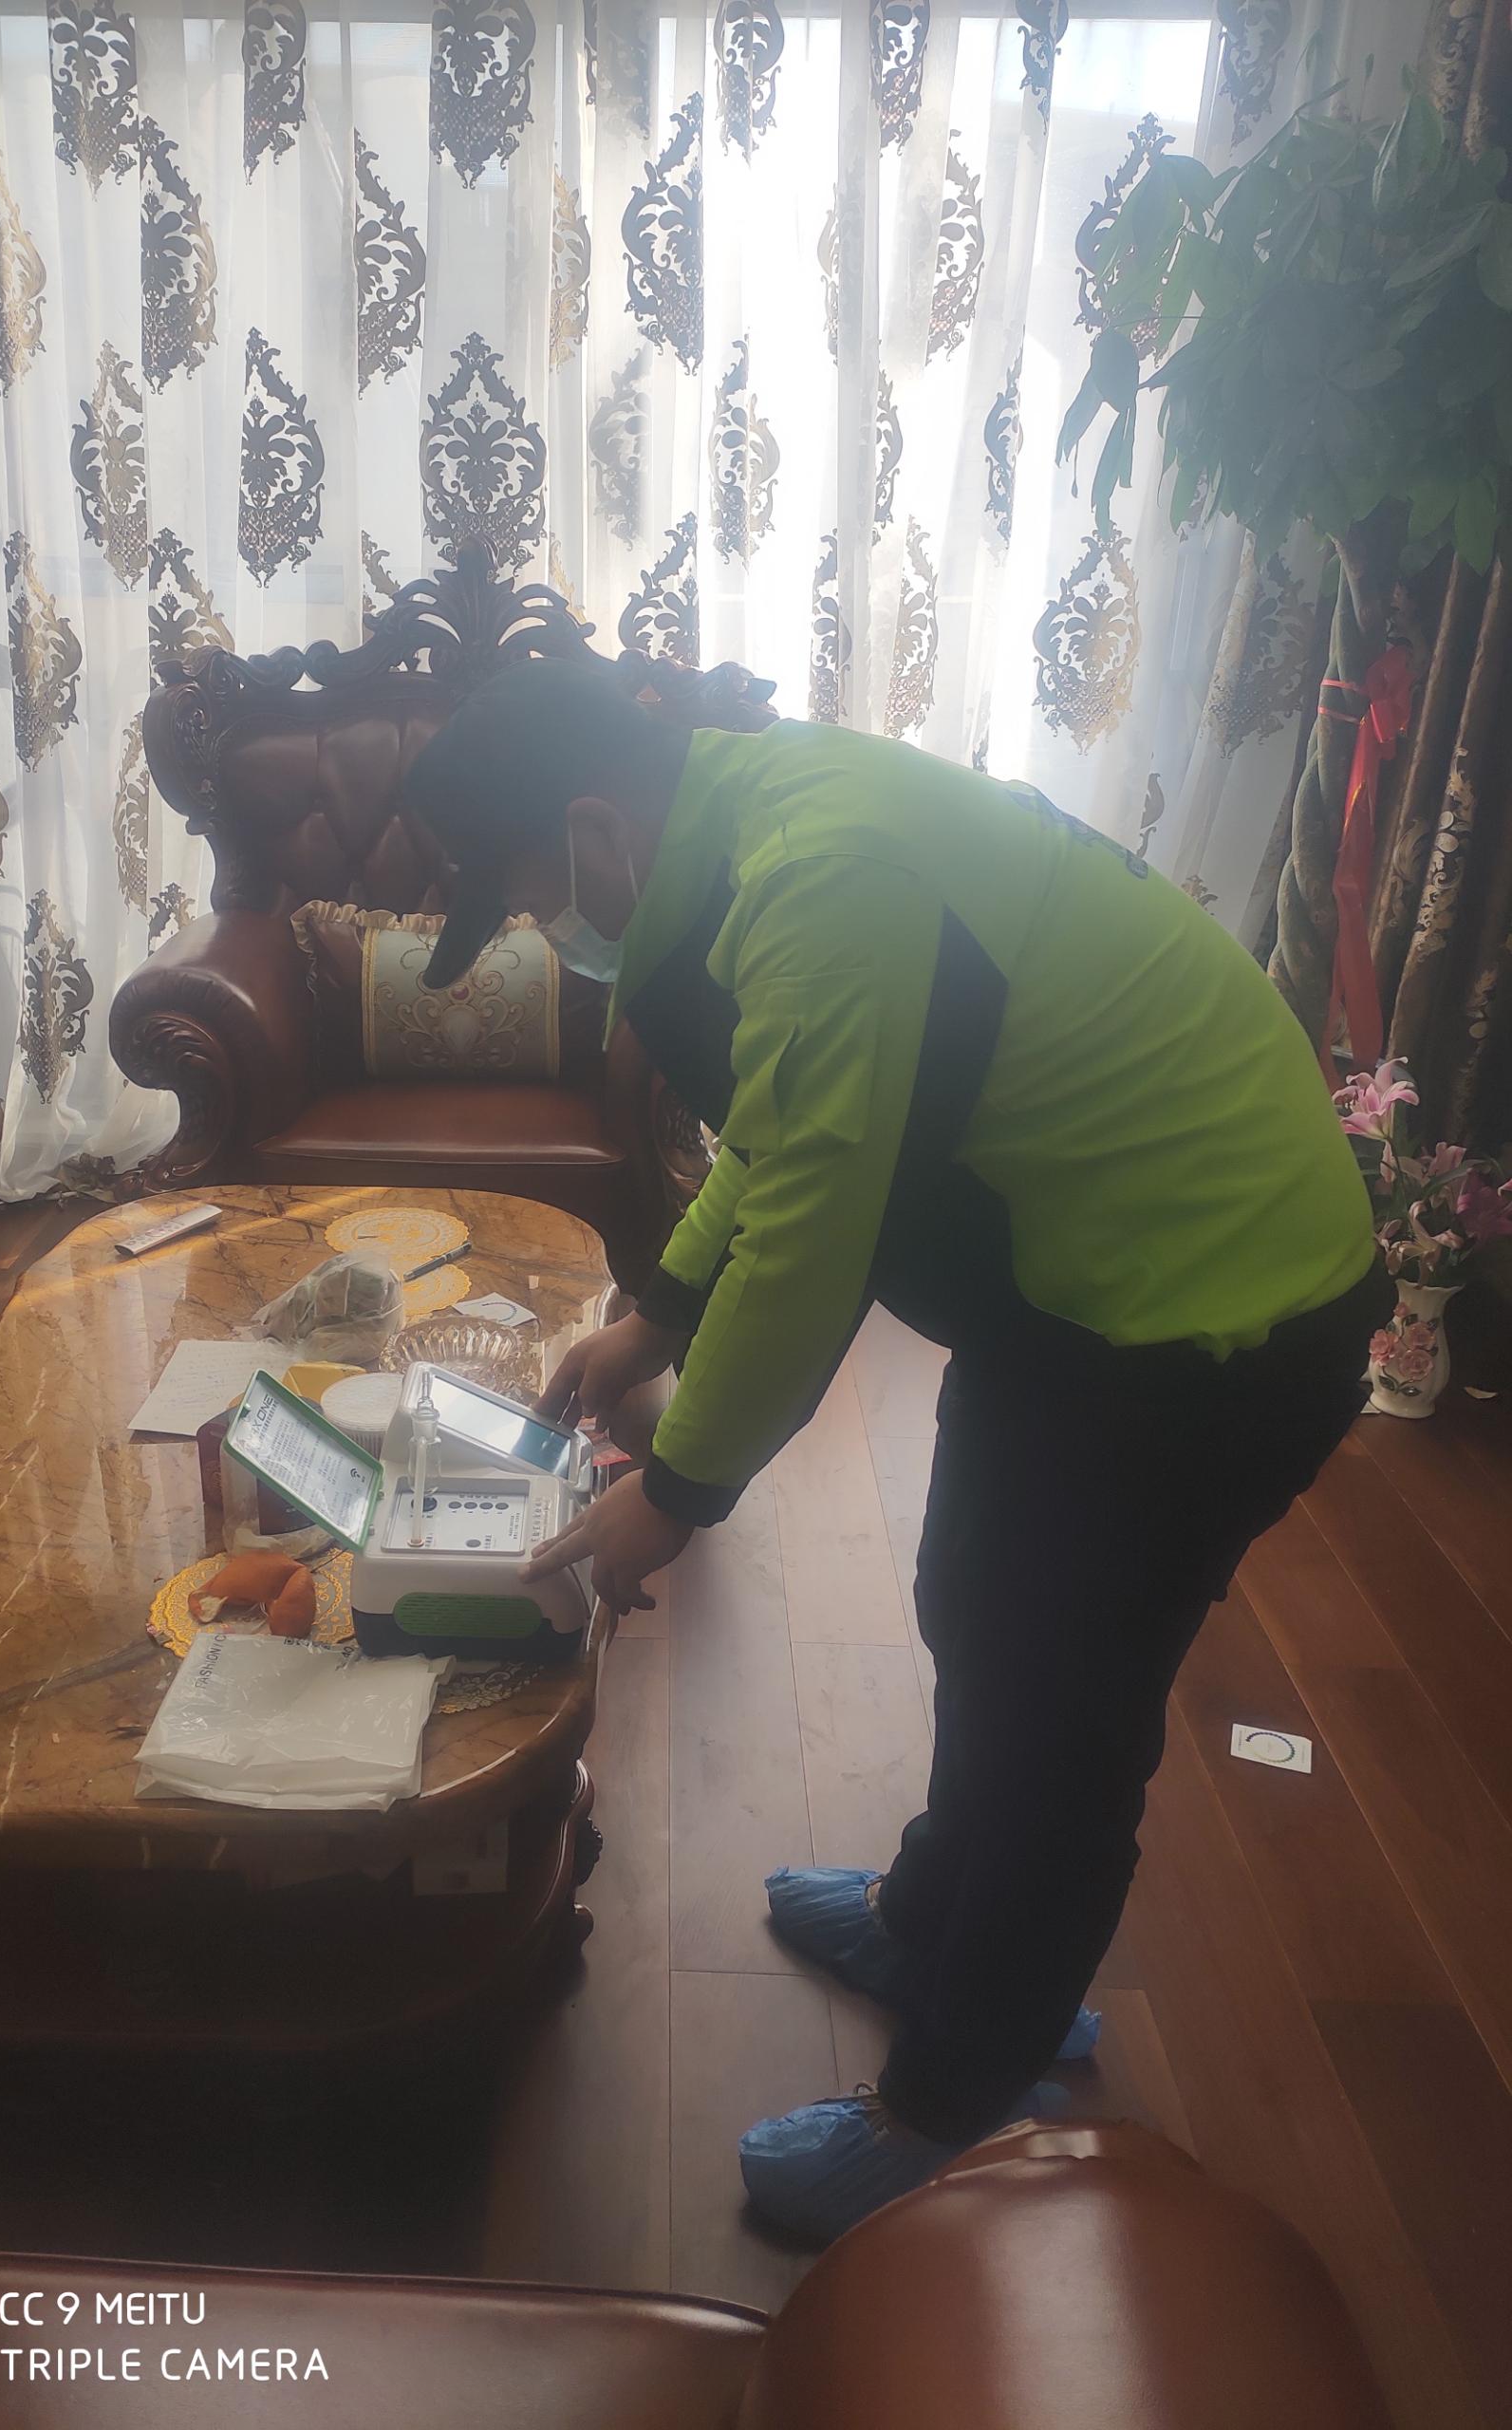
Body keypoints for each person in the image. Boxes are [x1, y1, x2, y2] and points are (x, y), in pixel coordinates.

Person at [404, 658, 1387, 2245]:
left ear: (595, 828)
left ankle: (957, 2099)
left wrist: (678, 1495)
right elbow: (794, 1126)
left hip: (1218, 1319)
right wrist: (656, 1317)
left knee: (1065, 1716)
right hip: (1081, 1286)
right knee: (971, 1603)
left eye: (526, 896)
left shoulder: (824, 876)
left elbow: (815, 1228)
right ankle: (931, 1915)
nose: (545, 931)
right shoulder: (754, 822)